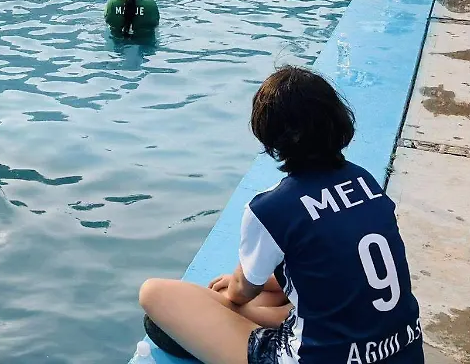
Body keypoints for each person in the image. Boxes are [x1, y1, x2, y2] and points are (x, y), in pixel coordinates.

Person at [139, 65, 423, 364]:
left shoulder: (272, 208)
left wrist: (238, 307)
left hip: (317, 357)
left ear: (269, 135)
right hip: (402, 354)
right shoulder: (365, 182)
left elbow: (239, 293)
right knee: (280, 288)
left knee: (154, 295)